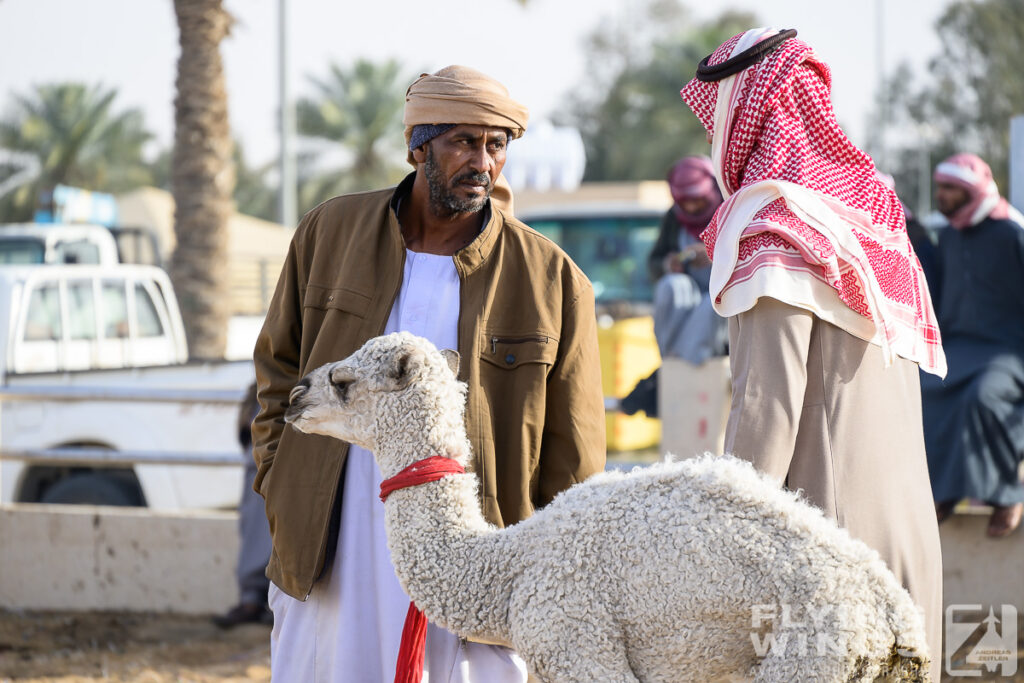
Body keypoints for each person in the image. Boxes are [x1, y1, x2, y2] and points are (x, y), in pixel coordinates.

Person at [251, 65, 605, 682]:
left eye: (496, 145)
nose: (483, 162)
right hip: (334, 533)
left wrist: (551, 574)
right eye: (463, 142)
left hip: (478, 555)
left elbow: (573, 450)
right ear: (418, 147)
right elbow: (278, 368)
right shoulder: (329, 233)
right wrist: (281, 482)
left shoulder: (550, 278)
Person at [680, 28, 946, 680]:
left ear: (742, 113)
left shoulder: (775, 226)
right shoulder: (876, 223)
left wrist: (719, 551)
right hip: (911, 551)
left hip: (824, 561)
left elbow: (766, 411)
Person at [921, 153, 1024, 538]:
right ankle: (942, 492)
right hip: (958, 349)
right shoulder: (947, 237)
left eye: (949, 188)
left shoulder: (1013, 232)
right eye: (939, 188)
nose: (941, 195)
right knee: (923, 392)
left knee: (983, 397)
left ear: (971, 190)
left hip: (1007, 351)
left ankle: (1005, 496)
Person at [212, 382, 273, 628]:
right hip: (262, 451)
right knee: (254, 525)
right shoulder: (261, 381)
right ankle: (253, 600)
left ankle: (266, 602)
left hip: (286, 447)